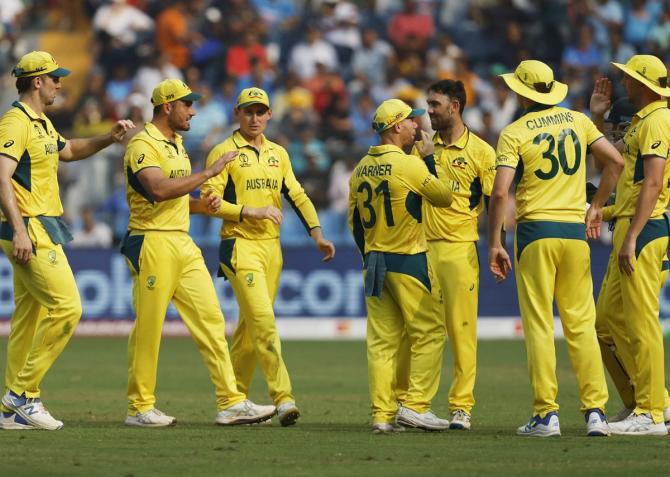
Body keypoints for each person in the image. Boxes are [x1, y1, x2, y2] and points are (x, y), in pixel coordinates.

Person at [121, 79, 276, 427]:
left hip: (181, 241)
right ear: (167, 107)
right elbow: (158, 190)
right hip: (151, 241)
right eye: (186, 104)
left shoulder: (176, 145)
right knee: (150, 327)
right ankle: (139, 407)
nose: (193, 110)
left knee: (212, 320)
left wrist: (202, 205)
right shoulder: (143, 145)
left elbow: (175, 199)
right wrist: (209, 172)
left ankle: (230, 401)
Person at [488, 60, 624, 437]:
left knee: (539, 325)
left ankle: (546, 415)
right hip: (574, 232)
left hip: (535, 233)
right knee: (581, 324)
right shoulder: (579, 121)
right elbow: (615, 161)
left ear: (522, 93)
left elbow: (501, 192)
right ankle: (596, 412)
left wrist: (496, 241)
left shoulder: (514, 132)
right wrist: (596, 206)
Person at [0, 51, 135, 430]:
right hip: (29, 227)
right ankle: (23, 395)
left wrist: (109, 137)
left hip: (38, 225)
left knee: (29, 318)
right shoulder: (15, 122)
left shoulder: (41, 122)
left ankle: (11, 412)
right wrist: (20, 229)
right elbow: (2, 177)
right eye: (54, 77)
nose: (60, 83)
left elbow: (70, 150)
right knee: (67, 307)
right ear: (37, 81)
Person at [202, 87, 335, 426]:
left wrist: (317, 234)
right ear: (237, 113)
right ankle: (284, 398)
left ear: (270, 114)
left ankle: (233, 402)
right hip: (238, 244)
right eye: (249, 111)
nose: (255, 118)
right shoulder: (224, 151)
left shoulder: (279, 153)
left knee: (249, 331)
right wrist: (251, 211)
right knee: (264, 322)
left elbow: (297, 194)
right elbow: (209, 201)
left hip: (272, 249)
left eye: (261, 112)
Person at [396, 79, 496, 431]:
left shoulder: (482, 152)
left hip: (459, 250)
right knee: (417, 331)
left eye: (435, 104)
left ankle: (461, 407)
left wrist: (495, 242)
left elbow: (495, 200)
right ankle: (409, 402)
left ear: (455, 105)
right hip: (421, 249)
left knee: (461, 332)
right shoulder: (420, 148)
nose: (428, 111)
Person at [348, 98, 453, 433]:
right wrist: (429, 159)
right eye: (411, 121)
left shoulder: (359, 168)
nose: (416, 126)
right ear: (396, 126)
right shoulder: (409, 165)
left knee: (381, 343)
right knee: (431, 333)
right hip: (409, 258)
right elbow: (444, 197)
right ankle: (417, 406)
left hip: (374, 260)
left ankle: (382, 415)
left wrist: (368, 255)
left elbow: (354, 224)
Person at [589, 55, 670, 436]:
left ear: (643, 83)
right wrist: (598, 120)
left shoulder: (657, 121)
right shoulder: (644, 120)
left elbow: (652, 183)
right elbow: (614, 162)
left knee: (641, 323)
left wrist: (634, 235)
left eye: (629, 77)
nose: (623, 83)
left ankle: (652, 412)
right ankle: (648, 401)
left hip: (645, 228)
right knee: (605, 322)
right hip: (630, 225)